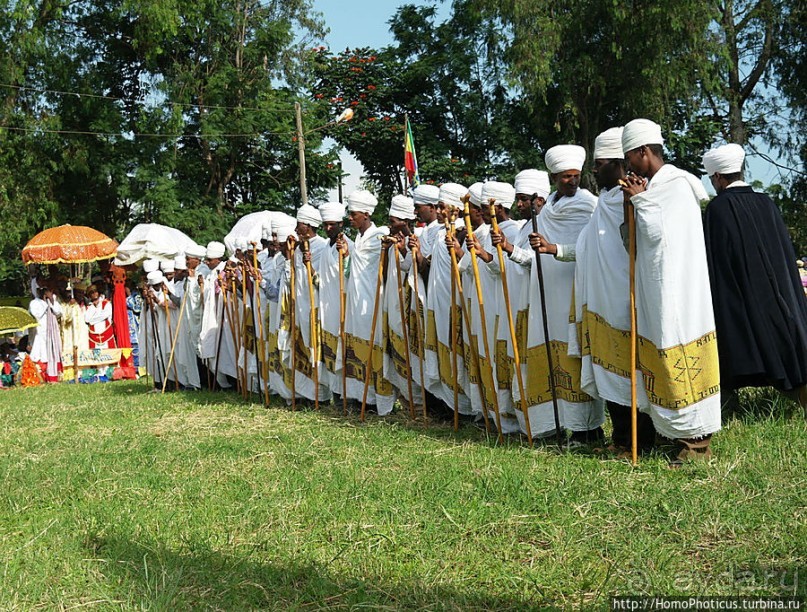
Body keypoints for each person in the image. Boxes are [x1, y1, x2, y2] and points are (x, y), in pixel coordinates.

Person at [619, 118, 721, 463]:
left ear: (642, 151)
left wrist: (641, 201)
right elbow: (632, 241)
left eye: (629, 158)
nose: (629, 166)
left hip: (679, 289)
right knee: (660, 358)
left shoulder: (675, 186)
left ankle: (697, 443)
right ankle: (673, 434)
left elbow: (658, 233)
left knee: (681, 356)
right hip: (655, 288)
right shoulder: (653, 188)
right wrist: (633, 201)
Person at [566, 127, 658, 452]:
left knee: (631, 374)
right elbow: (587, 247)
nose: (593, 170)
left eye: (599, 163)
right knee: (609, 374)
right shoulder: (604, 201)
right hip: (600, 304)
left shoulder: (632, 197)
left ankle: (640, 440)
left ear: (619, 164)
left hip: (623, 300)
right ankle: (621, 438)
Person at [702, 142, 807, 408]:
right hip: (778, 291)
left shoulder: (718, 208)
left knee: (742, 339)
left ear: (718, 177)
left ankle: (728, 403)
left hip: (740, 293)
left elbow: (717, 261)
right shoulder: (766, 203)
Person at [524, 145, 603, 443]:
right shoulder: (547, 209)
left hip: (574, 287)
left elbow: (589, 248)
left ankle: (587, 429)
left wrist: (554, 248)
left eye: (576, 175)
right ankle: (554, 424)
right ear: (554, 178)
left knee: (574, 354)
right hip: (547, 289)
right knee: (550, 353)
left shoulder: (589, 205)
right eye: (566, 176)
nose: (572, 181)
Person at [336, 189, 395, 414]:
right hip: (355, 300)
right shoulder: (358, 239)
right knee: (357, 349)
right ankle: (361, 397)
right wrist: (347, 253)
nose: (350, 218)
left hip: (372, 300)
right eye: (350, 214)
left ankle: (380, 400)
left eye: (354, 214)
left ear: (367, 214)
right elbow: (352, 269)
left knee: (374, 346)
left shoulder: (380, 235)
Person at [316, 202, 352, 400]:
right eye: (326, 225)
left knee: (344, 352)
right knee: (330, 352)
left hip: (343, 306)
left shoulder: (349, 245)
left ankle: (348, 395)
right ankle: (336, 395)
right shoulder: (324, 249)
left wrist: (345, 256)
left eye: (332, 224)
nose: (328, 228)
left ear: (341, 224)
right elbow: (321, 278)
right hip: (327, 307)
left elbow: (351, 274)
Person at [28, 286, 63, 382]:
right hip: (40, 333)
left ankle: (54, 376)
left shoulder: (52, 300)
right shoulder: (34, 303)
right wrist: (46, 303)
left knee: (53, 353)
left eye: (47, 290)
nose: (46, 293)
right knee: (42, 354)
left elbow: (58, 312)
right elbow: (37, 314)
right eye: (43, 291)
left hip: (53, 333)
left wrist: (51, 300)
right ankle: (43, 377)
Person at [85, 285, 117, 349]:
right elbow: (87, 319)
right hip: (94, 337)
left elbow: (105, 315)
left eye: (95, 291)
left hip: (107, 335)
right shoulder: (90, 307)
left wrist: (92, 321)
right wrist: (94, 308)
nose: (94, 294)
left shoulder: (106, 303)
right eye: (92, 292)